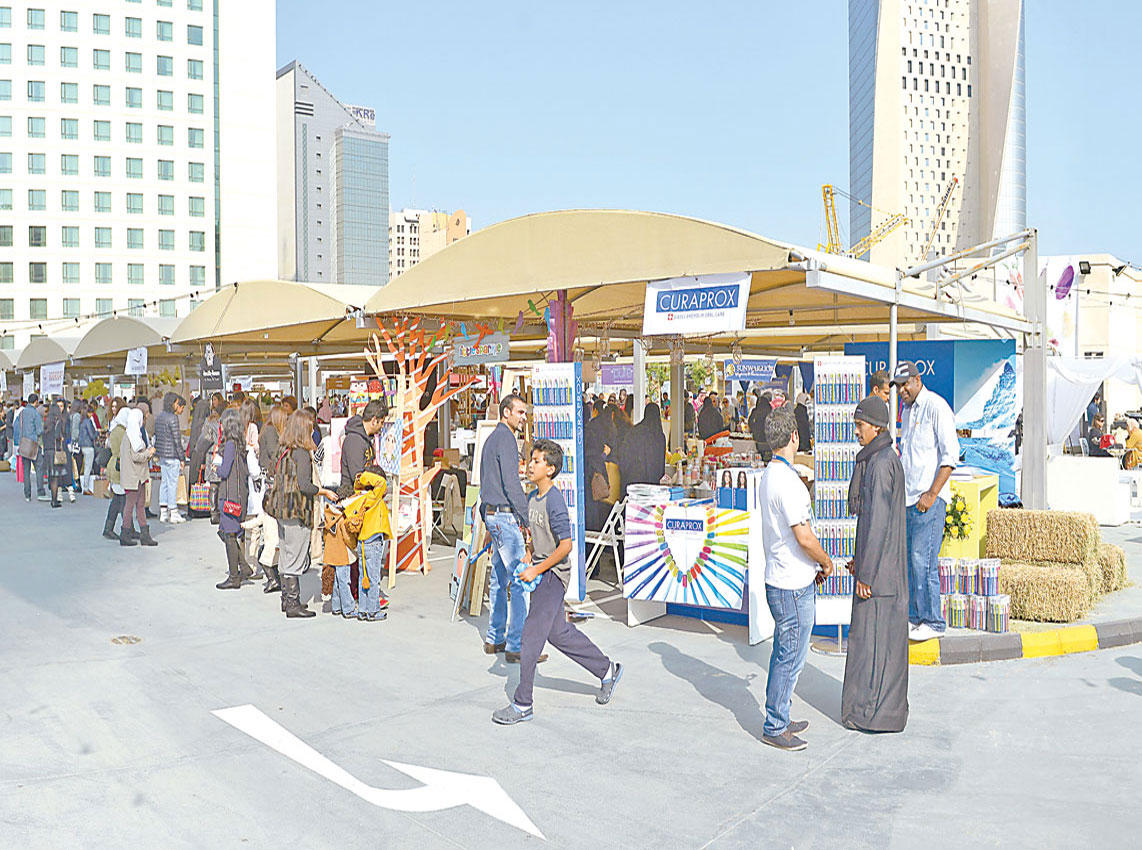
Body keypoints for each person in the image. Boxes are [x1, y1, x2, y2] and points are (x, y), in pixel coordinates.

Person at [492, 440, 623, 724]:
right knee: (558, 633)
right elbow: (535, 537)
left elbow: (566, 546)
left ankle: (522, 704)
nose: (530, 465)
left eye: (537, 461)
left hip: (554, 575)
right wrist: (528, 556)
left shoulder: (555, 501)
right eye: (531, 460)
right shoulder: (532, 498)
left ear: (550, 469)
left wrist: (537, 569)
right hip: (541, 572)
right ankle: (607, 670)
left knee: (530, 637)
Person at [757, 404, 833, 751]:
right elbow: (803, 537)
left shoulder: (770, 475)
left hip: (784, 577)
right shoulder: (786, 481)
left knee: (788, 653)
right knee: (789, 656)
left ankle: (781, 713)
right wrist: (825, 562)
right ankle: (775, 723)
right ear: (794, 436)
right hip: (790, 583)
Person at [842, 395, 909, 733]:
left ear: (877, 427)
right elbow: (871, 521)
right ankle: (875, 713)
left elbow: (879, 522)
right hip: (880, 571)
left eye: (860, 425)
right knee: (877, 646)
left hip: (880, 579)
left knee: (874, 647)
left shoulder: (881, 464)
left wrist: (866, 573)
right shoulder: (878, 459)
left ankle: (871, 715)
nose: (857, 431)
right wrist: (860, 560)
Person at [893, 361, 959, 642]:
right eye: (898, 386)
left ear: (918, 380)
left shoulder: (936, 406)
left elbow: (950, 456)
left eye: (905, 384)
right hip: (908, 499)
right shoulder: (907, 411)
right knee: (910, 562)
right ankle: (914, 617)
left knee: (924, 561)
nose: (902, 390)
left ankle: (933, 621)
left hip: (928, 500)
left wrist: (932, 494)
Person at [265, 411, 336, 616]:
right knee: (295, 556)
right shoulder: (302, 454)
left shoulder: (284, 448)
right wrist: (324, 491)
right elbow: (305, 485)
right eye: (310, 428)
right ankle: (293, 604)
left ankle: (286, 600)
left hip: (281, 508)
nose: (313, 431)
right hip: (296, 509)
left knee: (286, 554)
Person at [479, 394, 532, 662]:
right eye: (520, 412)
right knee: (521, 580)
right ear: (506, 412)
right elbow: (512, 483)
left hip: (493, 514)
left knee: (499, 579)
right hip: (504, 515)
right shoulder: (507, 440)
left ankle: (495, 637)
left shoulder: (490, 440)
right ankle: (516, 644)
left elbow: (485, 480)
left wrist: (485, 516)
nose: (524, 417)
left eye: (524, 412)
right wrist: (527, 518)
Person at [342, 471, 394, 621]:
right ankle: (373, 611)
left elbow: (360, 486)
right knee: (373, 578)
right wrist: (364, 476)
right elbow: (381, 483)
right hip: (373, 542)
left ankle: (363, 610)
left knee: (363, 577)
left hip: (363, 542)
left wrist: (360, 479)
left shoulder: (360, 497)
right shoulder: (373, 496)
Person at [213, 408, 253, 589]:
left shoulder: (229, 445)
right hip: (239, 494)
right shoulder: (240, 444)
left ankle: (234, 576)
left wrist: (216, 468)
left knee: (228, 534)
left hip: (230, 495)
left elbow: (224, 471)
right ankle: (243, 567)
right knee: (229, 533)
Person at [120, 408, 158, 547]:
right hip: (134, 477)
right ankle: (126, 534)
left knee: (139, 505)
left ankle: (143, 534)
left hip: (137, 476)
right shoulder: (132, 436)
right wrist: (149, 453)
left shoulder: (130, 434)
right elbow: (136, 457)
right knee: (131, 505)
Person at [617, 402, 667, 497]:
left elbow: (624, 456)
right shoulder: (660, 436)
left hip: (633, 484)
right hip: (652, 487)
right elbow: (661, 466)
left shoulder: (634, 432)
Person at [154, 393, 186, 523]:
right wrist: (182, 458)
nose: (178, 407)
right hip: (172, 455)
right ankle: (173, 512)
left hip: (162, 455)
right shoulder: (173, 418)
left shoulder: (159, 417)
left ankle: (163, 512)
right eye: (177, 403)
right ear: (173, 403)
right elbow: (177, 441)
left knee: (165, 483)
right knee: (173, 483)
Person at [102, 405, 129, 541]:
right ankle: (127, 528)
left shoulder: (114, 430)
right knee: (123, 500)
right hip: (120, 466)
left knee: (117, 500)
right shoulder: (123, 431)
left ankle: (109, 528)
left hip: (113, 464)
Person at [43, 399, 70, 508]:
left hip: (47, 451)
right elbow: (58, 436)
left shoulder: (47, 422)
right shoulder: (58, 422)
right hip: (55, 451)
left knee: (51, 476)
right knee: (55, 478)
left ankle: (53, 498)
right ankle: (54, 500)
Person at [18, 394, 43, 502]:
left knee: (26, 471)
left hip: (24, 444)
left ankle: (27, 494)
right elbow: (39, 430)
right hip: (33, 444)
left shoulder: (22, 413)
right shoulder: (35, 413)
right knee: (39, 468)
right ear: (36, 401)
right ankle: (40, 492)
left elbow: (18, 427)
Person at [747, 390, 773, 462]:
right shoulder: (770, 411)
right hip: (768, 441)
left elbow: (750, 422)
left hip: (757, 440)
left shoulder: (755, 411)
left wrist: (754, 430)